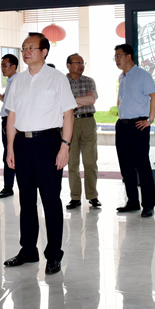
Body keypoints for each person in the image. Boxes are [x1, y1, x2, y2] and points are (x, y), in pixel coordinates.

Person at [4, 32, 76, 275]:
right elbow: (11, 116)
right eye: (24, 47)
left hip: (48, 143)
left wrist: (64, 146)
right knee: (26, 201)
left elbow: (68, 114)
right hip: (22, 144)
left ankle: (54, 254)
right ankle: (28, 250)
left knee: (50, 200)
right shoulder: (18, 81)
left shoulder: (57, 79)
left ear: (44, 52)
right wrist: (10, 148)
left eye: (31, 47)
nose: (26, 51)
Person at [114, 44, 155, 218]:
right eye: (115, 57)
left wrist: (150, 120)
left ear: (129, 56)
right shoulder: (122, 77)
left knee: (142, 165)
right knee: (126, 166)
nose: (116, 59)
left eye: (119, 56)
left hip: (138, 125)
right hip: (122, 125)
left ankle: (148, 204)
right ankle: (132, 201)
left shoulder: (143, 75)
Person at [64, 53, 100, 210]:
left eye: (82, 62)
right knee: (72, 163)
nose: (81, 65)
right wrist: (82, 100)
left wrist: (71, 102)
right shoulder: (62, 82)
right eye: (77, 62)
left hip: (88, 122)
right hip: (69, 122)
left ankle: (93, 196)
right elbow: (60, 103)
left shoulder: (89, 81)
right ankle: (75, 197)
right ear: (68, 65)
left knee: (90, 162)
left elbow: (91, 100)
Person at [0, 53, 18, 199]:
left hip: (12, 122)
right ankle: (8, 187)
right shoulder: (10, 81)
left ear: (14, 66)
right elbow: (8, 102)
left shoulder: (17, 81)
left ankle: (8, 187)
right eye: (2, 66)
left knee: (11, 153)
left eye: (5, 66)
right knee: (9, 153)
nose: (3, 68)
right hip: (6, 120)